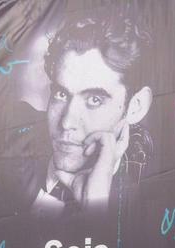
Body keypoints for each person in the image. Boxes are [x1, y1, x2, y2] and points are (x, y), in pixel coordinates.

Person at [31, 13, 153, 216]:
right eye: (61, 94)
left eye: (94, 100)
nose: (67, 122)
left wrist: (95, 210)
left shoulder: (151, 203)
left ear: (135, 107)